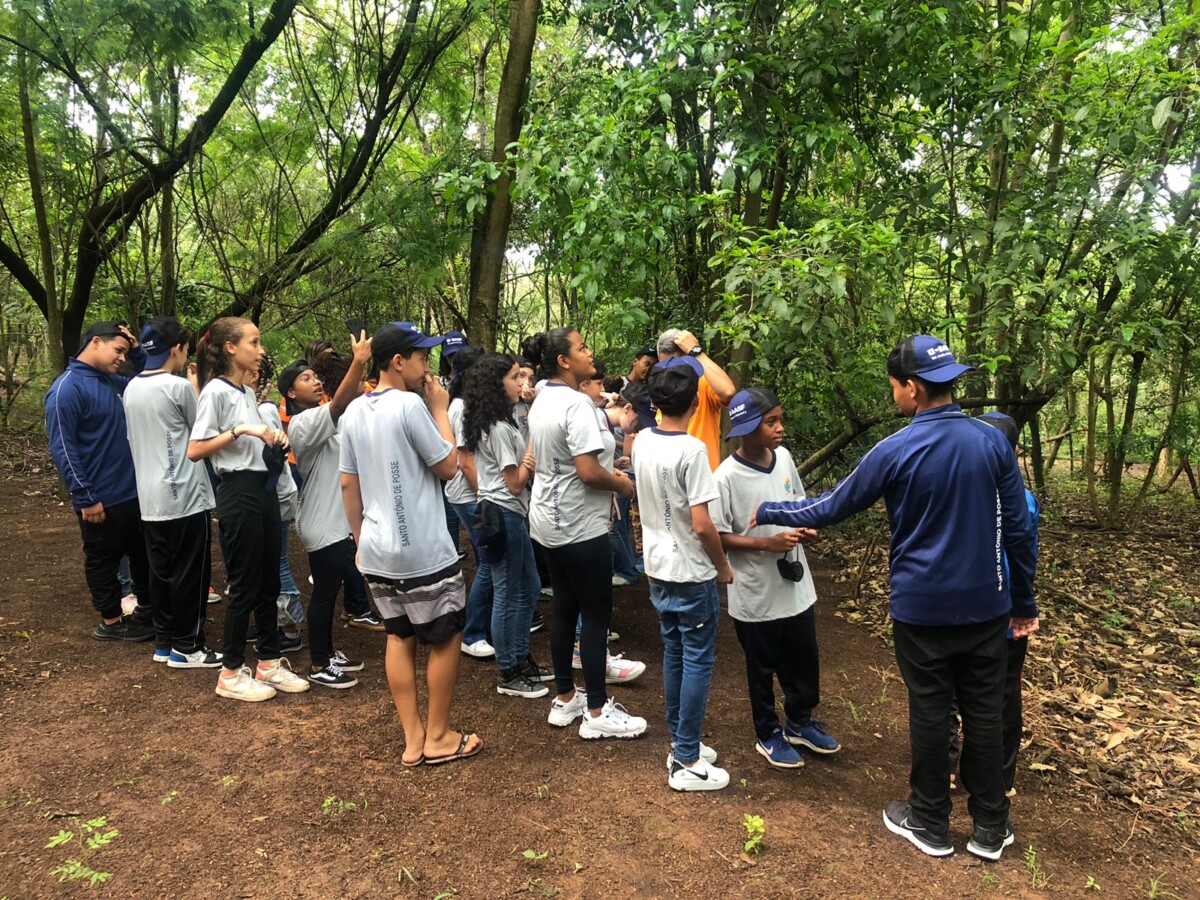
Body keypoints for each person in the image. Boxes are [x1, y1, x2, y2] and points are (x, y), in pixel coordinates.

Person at [752, 335, 1037, 861]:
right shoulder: (992, 441)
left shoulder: (895, 448)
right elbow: (1018, 529)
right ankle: (991, 827)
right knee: (984, 710)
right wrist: (1023, 603)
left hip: (921, 609)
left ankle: (929, 821)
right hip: (987, 607)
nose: (894, 396)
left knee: (931, 710)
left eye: (894, 387)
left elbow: (831, 507)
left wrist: (771, 510)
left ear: (912, 388)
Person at [339, 322, 482, 765]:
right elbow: (448, 467)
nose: (427, 366)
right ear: (398, 362)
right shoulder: (410, 406)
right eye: (421, 357)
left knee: (398, 635)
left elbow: (348, 484)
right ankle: (438, 736)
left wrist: (360, 542)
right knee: (445, 636)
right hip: (422, 550)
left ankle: (412, 737)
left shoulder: (353, 412)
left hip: (377, 549)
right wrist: (440, 409)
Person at [526, 328, 649, 739]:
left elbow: (562, 460)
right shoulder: (577, 405)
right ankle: (597, 711)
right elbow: (587, 471)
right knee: (596, 615)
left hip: (547, 521)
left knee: (566, 608)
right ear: (564, 361)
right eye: (581, 348)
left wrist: (605, 472)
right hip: (579, 526)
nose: (589, 352)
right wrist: (622, 485)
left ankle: (565, 698)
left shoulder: (543, 398)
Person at [713, 387, 840, 771]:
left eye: (779, 419)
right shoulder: (726, 477)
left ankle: (800, 721)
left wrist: (807, 528)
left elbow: (798, 504)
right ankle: (768, 732)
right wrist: (765, 544)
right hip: (755, 591)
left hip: (796, 587)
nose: (780, 428)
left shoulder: (783, 458)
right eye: (771, 422)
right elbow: (717, 535)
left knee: (804, 657)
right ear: (748, 428)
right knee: (762, 666)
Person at [188, 317, 311, 702]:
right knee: (244, 582)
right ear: (230, 347)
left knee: (269, 579)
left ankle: (268, 663)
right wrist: (242, 430)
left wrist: (273, 442)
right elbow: (195, 449)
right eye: (254, 342)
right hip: (237, 491)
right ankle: (230, 673)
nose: (260, 350)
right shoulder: (216, 391)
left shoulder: (244, 392)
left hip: (262, 489)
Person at [632, 358, 735, 790]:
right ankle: (687, 760)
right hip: (691, 570)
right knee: (696, 658)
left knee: (675, 651)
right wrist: (722, 565)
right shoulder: (692, 450)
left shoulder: (642, 442)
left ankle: (681, 741)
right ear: (695, 402)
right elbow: (702, 524)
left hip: (657, 565)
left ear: (655, 403)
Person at [947, 412, 1041, 798]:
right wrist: (1024, 604)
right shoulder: (1024, 499)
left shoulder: (959, 492)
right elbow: (1025, 557)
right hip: (1000, 612)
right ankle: (996, 777)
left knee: (953, 688)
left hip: (966, 609)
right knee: (1000, 694)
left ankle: (951, 768)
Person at [278, 330, 376, 689]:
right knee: (324, 594)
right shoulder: (303, 423)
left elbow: (347, 407)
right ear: (291, 393)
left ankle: (328, 653)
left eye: (316, 376)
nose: (315, 381)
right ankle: (319, 663)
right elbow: (338, 405)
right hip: (322, 523)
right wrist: (359, 361)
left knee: (330, 590)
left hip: (334, 521)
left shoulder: (322, 418)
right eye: (306, 379)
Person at [45, 321, 154, 642]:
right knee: (103, 559)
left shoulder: (112, 381)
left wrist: (136, 350)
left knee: (142, 555)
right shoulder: (66, 389)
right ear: (95, 342)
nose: (122, 358)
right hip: (100, 498)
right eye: (117, 350)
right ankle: (111, 622)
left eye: (125, 352)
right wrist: (84, 497)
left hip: (133, 492)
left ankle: (146, 611)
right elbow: (64, 449)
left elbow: (144, 380)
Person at [124, 317, 222, 668]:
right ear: (177, 349)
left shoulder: (132, 387)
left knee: (161, 572)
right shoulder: (178, 387)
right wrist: (196, 387)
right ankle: (189, 646)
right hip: (185, 494)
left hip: (150, 498)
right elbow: (202, 432)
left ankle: (165, 641)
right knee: (191, 574)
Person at [462, 352, 552, 698]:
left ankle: (521, 657)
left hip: (508, 513)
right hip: (502, 513)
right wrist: (529, 461)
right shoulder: (498, 428)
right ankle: (508, 671)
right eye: (516, 377)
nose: (523, 383)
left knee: (529, 585)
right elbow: (514, 483)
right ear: (495, 385)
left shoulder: (502, 421)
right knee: (508, 591)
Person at [443, 346, 496, 659]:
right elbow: (465, 461)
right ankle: (473, 632)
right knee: (490, 562)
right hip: (469, 494)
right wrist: (487, 497)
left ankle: (485, 626)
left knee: (486, 559)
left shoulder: (465, 404)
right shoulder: (461, 408)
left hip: (471, 493)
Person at [251, 358, 304, 652]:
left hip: (277, 494)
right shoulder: (250, 407)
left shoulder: (265, 410)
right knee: (266, 561)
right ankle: (272, 621)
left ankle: (290, 628)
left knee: (277, 561)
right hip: (266, 495)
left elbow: (277, 453)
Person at [656, 328, 736, 470]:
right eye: (665, 366)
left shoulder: (703, 382)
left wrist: (696, 352)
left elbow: (728, 392)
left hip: (703, 475)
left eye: (677, 365)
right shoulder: (662, 388)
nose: (671, 372)